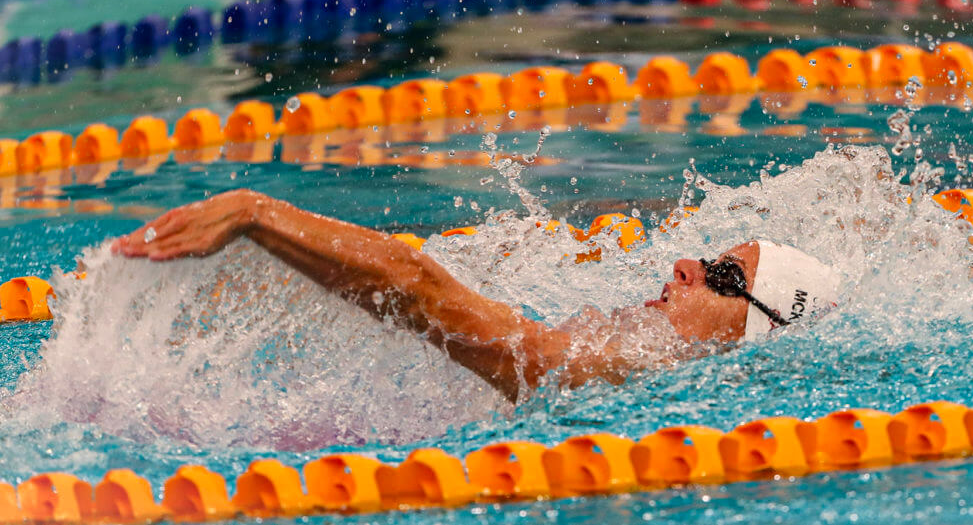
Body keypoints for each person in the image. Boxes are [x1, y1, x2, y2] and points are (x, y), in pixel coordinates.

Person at [112, 189, 840, 401]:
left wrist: (257, 214)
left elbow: (422, 293)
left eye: (725, 277)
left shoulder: (607, 371)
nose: (685, 265)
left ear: (756, 328)